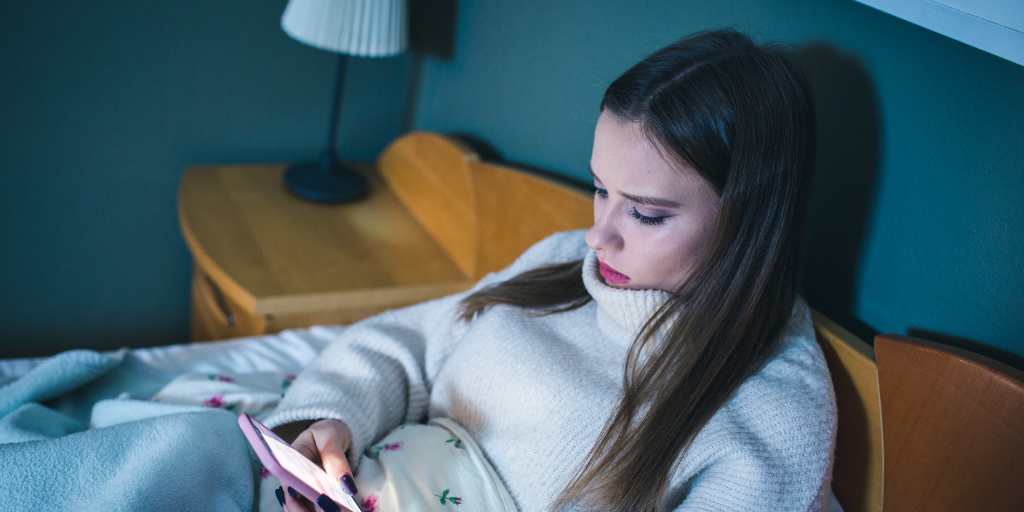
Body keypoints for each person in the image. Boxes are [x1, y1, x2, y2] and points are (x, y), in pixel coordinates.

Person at [265, 27, 837, 512]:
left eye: (644, 213)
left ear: (748, 220)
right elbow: (408, 341)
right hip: (368, 474)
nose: (599, 235)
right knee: (192, 449)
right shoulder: (567, 259)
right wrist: (329, 426)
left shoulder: (772, 416)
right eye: (599, 189)